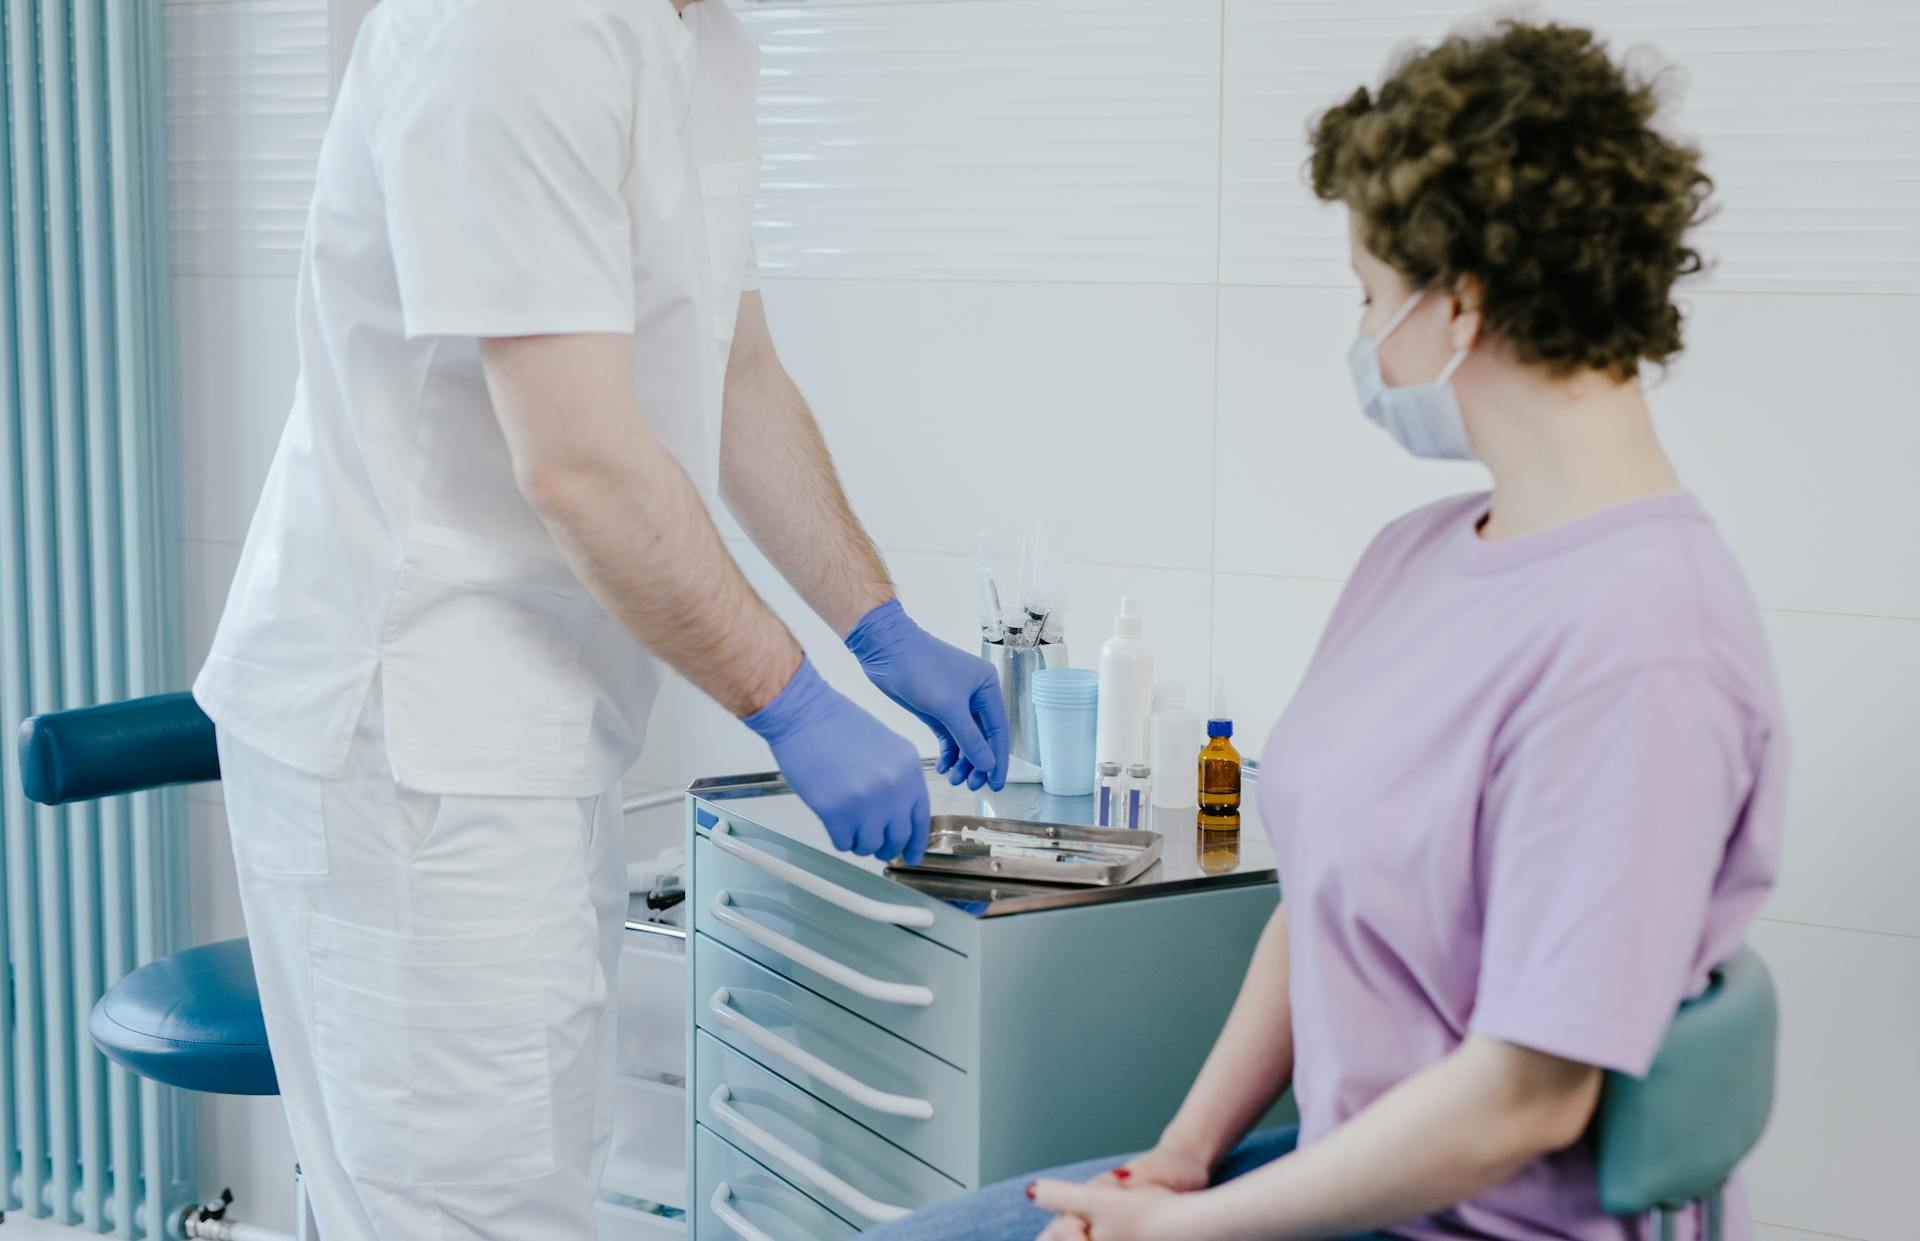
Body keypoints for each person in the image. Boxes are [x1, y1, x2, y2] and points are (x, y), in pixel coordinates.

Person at [871, 19, 1784, 1241]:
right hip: (1328, 1171)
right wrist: (1178, 1163)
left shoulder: (1647, 641)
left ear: (1459, 300)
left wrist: (1182, 1236)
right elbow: (1316, 907)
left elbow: (1525, 1095)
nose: (1361, 337)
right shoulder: (1417, 559)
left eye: (1367, 294)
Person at [191, 1, 1007, 1238]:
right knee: (471, 1206)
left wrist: (878, 625)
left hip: (527, 722)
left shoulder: (701, 41)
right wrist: (792, 704)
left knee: (514, 1174)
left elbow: (731, 370)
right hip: (413, 721)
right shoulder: (508, 28)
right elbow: (576, 457)